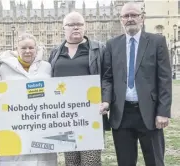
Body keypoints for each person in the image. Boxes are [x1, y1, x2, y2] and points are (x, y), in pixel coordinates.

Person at [100, 2, 172, 166]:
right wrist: (106, 100)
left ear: (142, 17)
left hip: (149, 113)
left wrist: (163, 111)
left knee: (154, 161)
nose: (130, 19)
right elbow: (107, 77)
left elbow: (165, 78)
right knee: (125, 162)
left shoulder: (157, 41)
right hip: (122, 114)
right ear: (121, 20)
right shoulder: (112, 44)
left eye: (134, 15)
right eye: (126, 16)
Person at [49, 11, 109, 166]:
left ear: (85, 27)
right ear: (63, 28)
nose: (75, 27)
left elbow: (107, 78)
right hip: (65, 116)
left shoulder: (98, 49)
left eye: (79, 24)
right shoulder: (55, 52)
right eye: (71, 24)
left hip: (90, 115)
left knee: (91, 161)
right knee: (71, 161)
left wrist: (106, 101)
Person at [0, 33, 57, 166]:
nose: (27, 51)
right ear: (16, 49)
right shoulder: (3, 68)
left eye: (31, 47)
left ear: (36, 48)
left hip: (42, 121)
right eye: (23, 48)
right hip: (15, 122)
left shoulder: (47, 67)